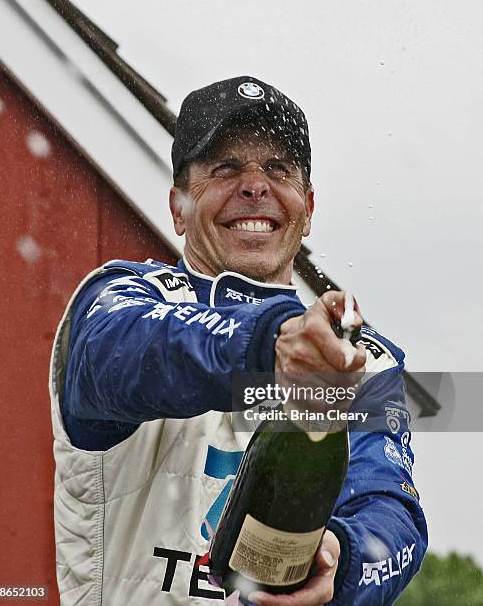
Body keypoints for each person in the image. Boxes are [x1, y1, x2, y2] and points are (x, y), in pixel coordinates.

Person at [49, 76, 427, 605]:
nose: (255, 186)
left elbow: (392, 514)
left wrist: (343, 556)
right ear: (178, 207)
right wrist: (268, 343)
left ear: (308, 207)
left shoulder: (361, 358)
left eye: (279, 168)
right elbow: (117, 357)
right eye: (225, 167)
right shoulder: (120, 301)